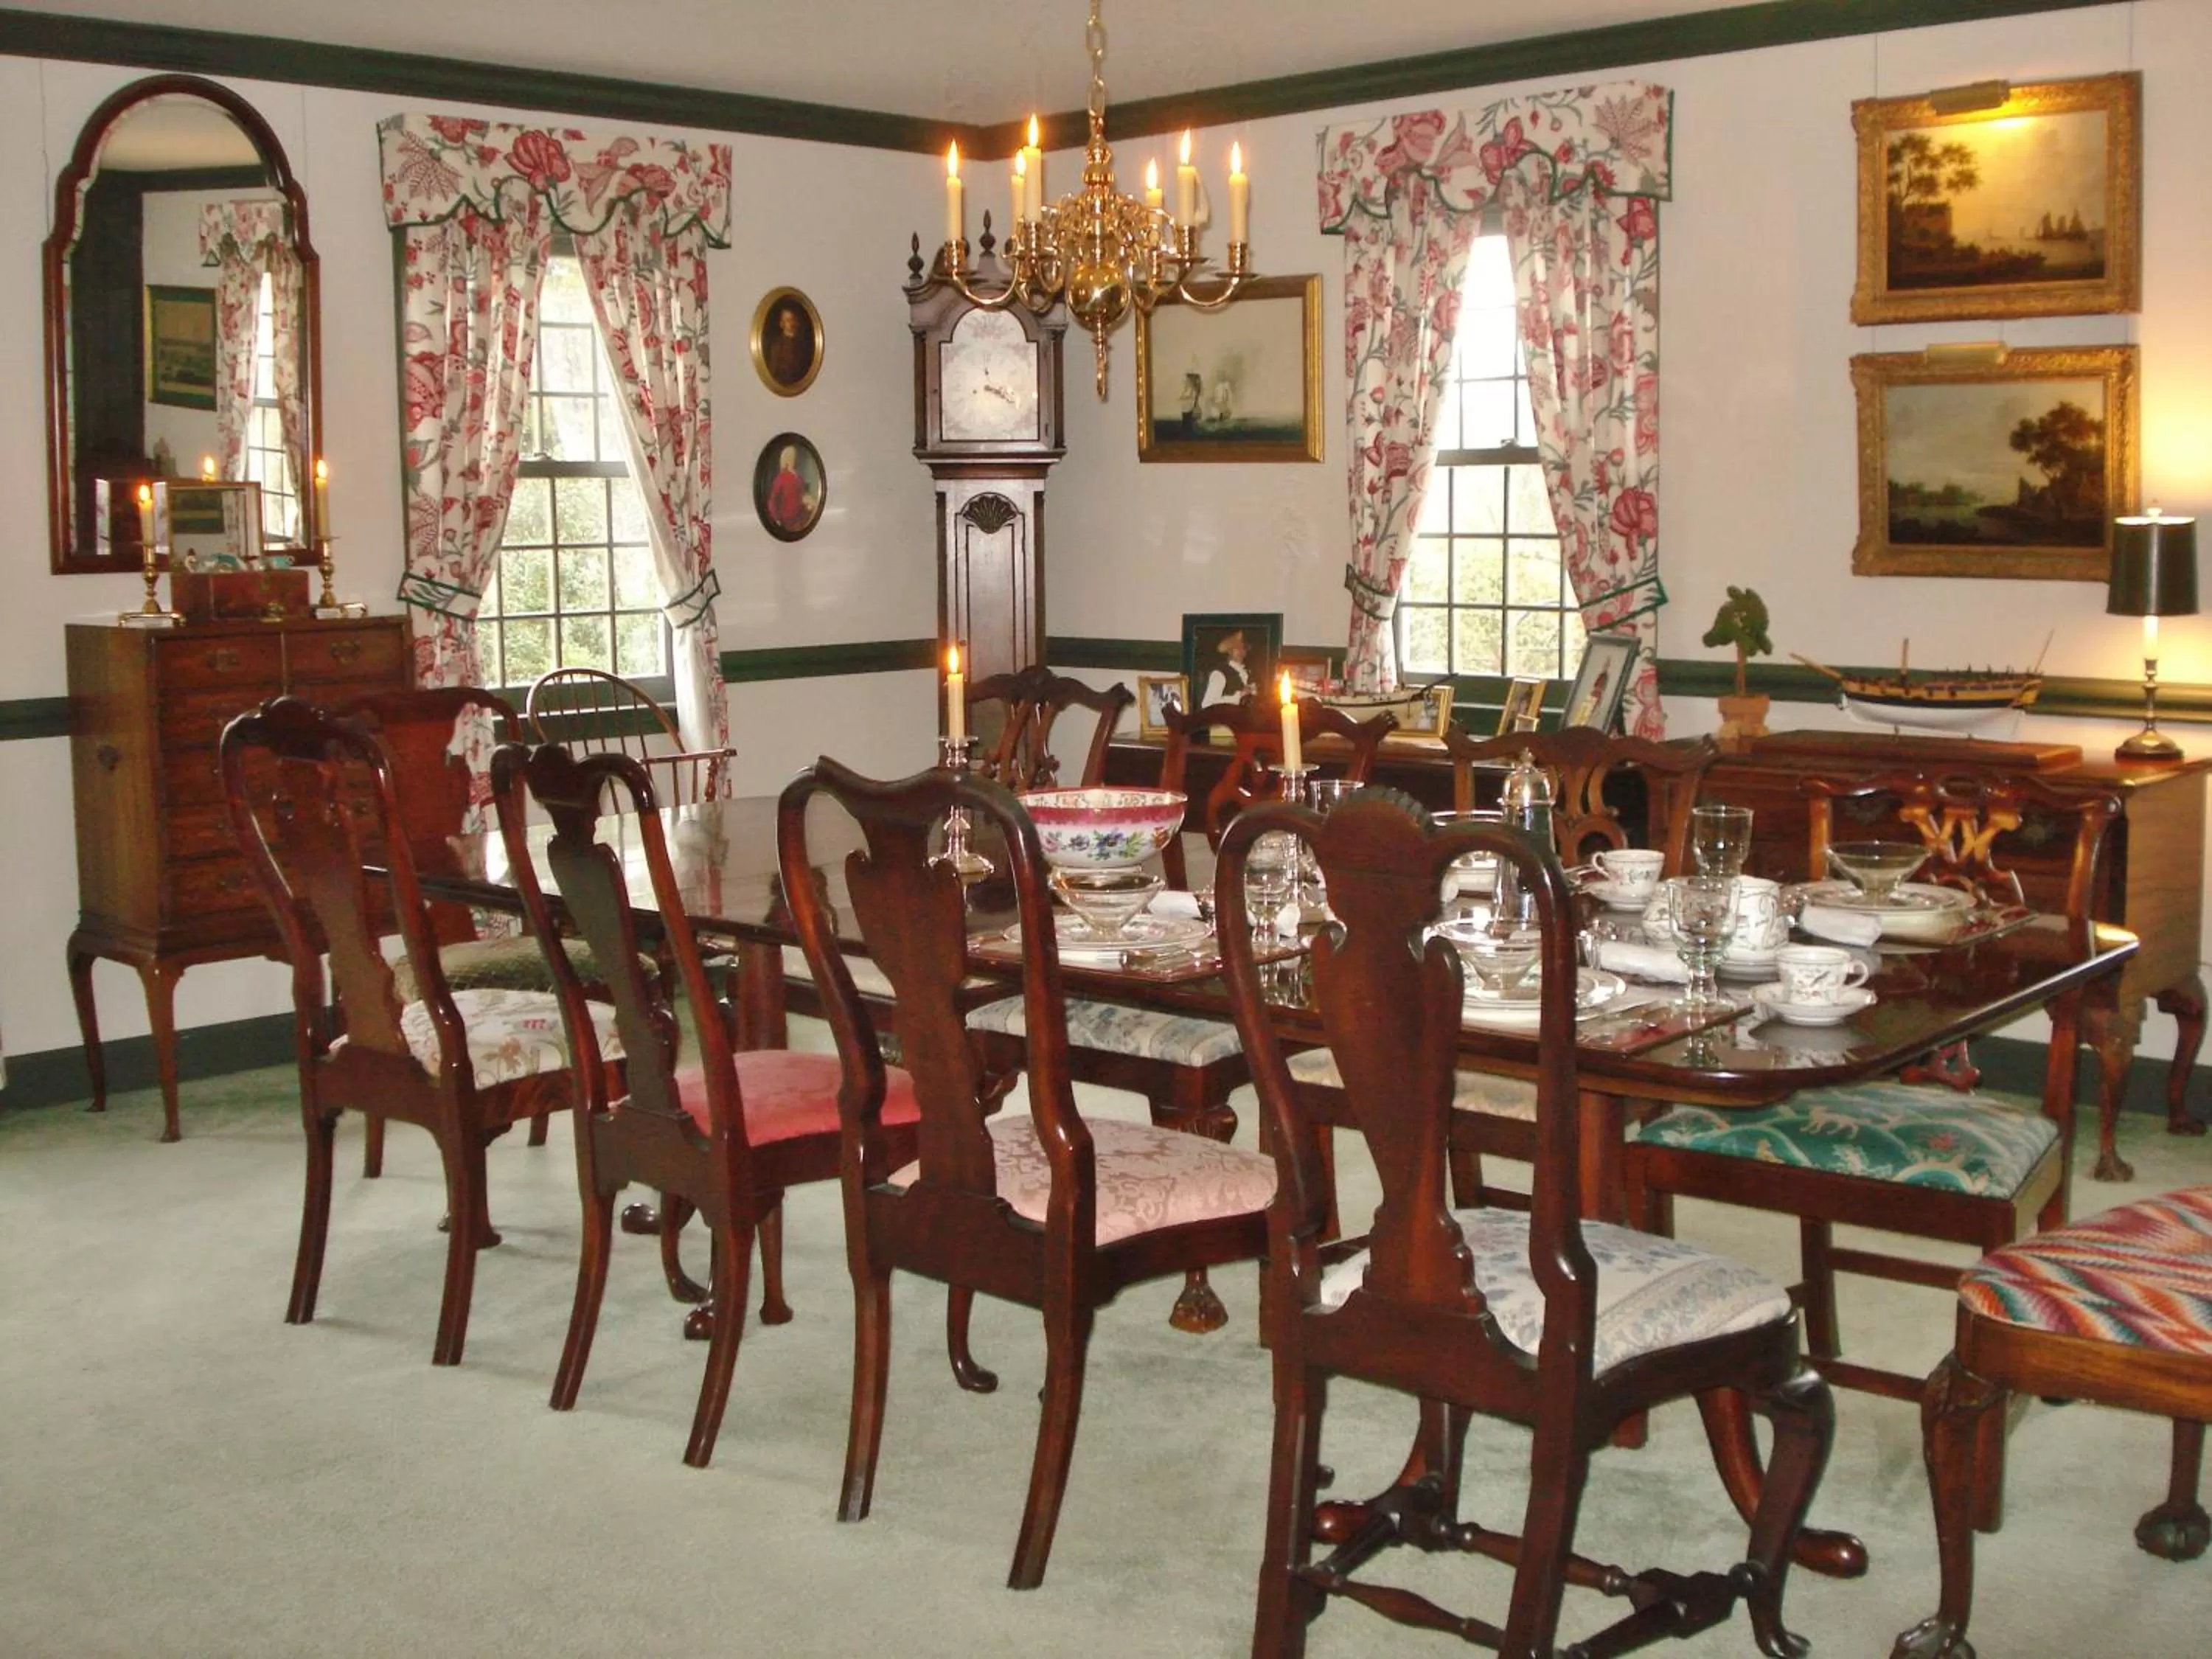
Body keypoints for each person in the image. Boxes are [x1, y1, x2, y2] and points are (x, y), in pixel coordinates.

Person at [1197, 629, 1255, 707]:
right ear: (1229, 651)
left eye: (1243, 648)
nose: (1241, 651)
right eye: (1236, 648)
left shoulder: (1249, 673)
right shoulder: (1220, 673)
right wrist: (1239, 696)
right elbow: (1207, 705)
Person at [764, 445, 814, 532]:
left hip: (798, 516)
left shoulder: (798, 477)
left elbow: (800, 495)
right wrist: (777, 519)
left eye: (795, 458)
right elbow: (772, 501)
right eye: (792, 458)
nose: (795, 460)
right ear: (787, 460)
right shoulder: (781, 478)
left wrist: (806, 503)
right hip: (787, 520)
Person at [763, 302, 814, 387]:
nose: (791, 323)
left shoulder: (804, 344)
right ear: (782, 324)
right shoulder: (777, 346)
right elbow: (774, 372)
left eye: (793, 319)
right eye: (788, 320)